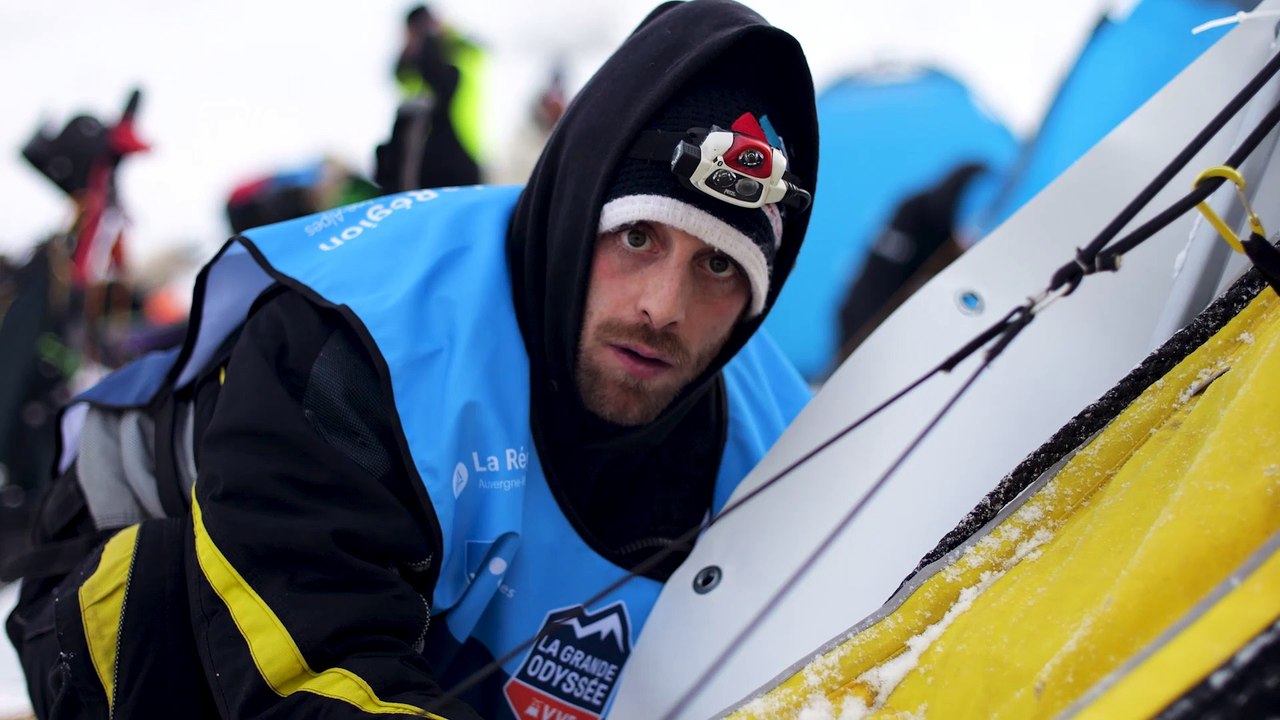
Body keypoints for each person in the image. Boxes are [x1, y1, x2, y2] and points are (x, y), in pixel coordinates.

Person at [4, 1, 818, 718]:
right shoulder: (358, 339)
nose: (663, 307)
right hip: (150, 590)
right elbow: (312, 655)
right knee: (167, 614)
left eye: (718, 267)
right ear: (577, 219)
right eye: (637, 238)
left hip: (442, 638)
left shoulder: (782, 444)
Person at [375, 4, 485, 191]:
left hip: (462, 151)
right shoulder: (420, 65)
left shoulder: (461, 53)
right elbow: (403, 79)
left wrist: (429, 40)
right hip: (430, 157)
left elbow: (443, 81)